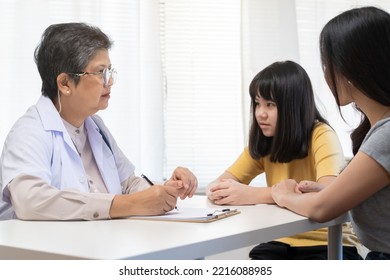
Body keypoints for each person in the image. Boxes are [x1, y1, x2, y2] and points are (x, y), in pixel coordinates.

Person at [0, 22, 197, 221]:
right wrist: (125, 205)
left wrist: (164, 191)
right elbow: (29, 201)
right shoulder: (29, 132)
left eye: (109, 72)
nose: (109, 81)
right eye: (100, 72)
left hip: (98, 244)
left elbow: (127, 184)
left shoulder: (95, 126)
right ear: (65, 83)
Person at [207, 60, 361, 259]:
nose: (260, 113)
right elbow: (215, 187)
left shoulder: (321, 135)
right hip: (280, 239)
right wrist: (222, 192)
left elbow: (327, 193)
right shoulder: (265, 142)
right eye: (257, 103)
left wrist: (253, 194)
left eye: (270, 104)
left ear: (293, 106)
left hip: (327, 242)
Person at [271, 6, 390, 260]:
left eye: (328, 64)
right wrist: (330, 189)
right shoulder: (378, 129)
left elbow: (320, 209)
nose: (325, 74)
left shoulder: (386, 135)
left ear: (352, 69)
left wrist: (281, 195)